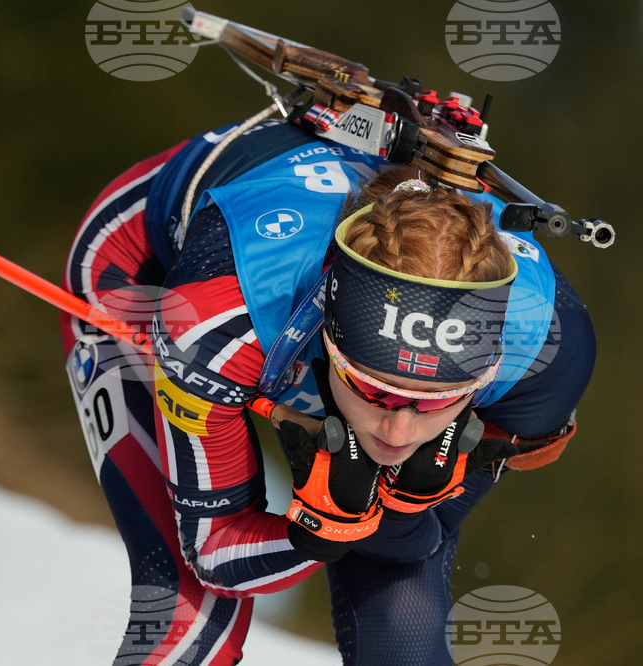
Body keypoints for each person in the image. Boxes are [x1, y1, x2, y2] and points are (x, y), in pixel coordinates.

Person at [60, 115, 594, 666]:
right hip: (146, 270)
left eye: (435, 400)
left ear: (482, 377)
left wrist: (395, 510)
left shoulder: (545, 353)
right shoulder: (217, 324)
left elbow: (418, 542)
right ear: (328, 340)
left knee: (400, 619)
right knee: (188, 611)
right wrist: (326, 530)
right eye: (375, 390)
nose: (400, 429)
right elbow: (214, 551)